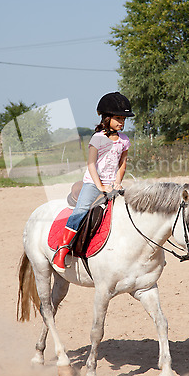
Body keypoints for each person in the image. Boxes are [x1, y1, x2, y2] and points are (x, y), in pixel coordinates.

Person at [52, 91, 134, 272]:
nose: (121, 122)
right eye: (118, 118)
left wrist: (118, 182)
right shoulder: (98, 138)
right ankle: (61, 250)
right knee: (81, 210)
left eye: (124, 119)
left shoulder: (124, 140)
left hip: (112, 183)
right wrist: (100, 186)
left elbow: (123, 163)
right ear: (106, 118)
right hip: (93, 183)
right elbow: (91, 165)